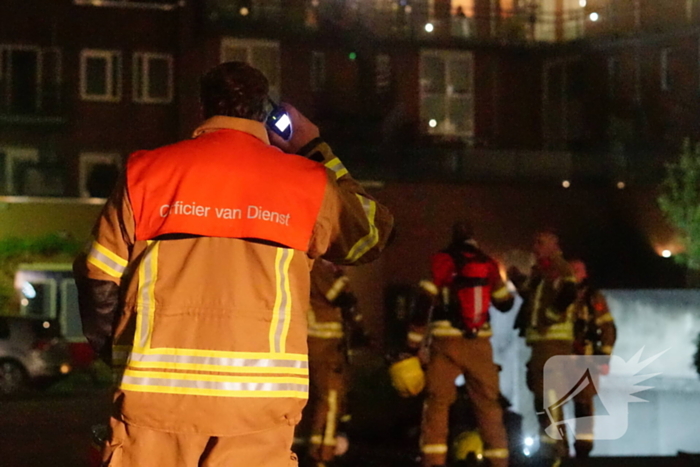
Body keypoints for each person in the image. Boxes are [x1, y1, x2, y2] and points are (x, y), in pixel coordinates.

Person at [73, 61, 394, 467]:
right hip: (258, 415)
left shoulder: (146, 174)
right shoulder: (307, 184)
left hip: (153, 408)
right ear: (266, 111)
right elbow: (373, 233)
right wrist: (316, 150)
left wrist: (119, 358)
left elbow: (97, 278)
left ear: (203, 108)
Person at [406, 221, 514, 467]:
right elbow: (504, 304)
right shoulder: (488, 263)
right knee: (488, 404)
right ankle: (499, 461)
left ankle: (434, 460)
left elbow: (424, 302)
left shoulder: (442, 260)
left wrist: (413, 343)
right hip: (479, 344)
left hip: (445, 343)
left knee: (438, 404)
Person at [509, 230, 577, 466]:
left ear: (553, 245)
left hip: (553, 341)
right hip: (539, 342)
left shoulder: (560, 267)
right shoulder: (541, 270)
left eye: (540, 242)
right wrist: (517, 279)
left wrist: (550, 316)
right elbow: (530, 295)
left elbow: (569, 292)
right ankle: (552, 446)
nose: (535, 247)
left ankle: (554, 449)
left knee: (550, 394)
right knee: (542, 395)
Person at [297, 259, 367, 466]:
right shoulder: (319, 268)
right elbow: (341, 297)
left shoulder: (311, 267)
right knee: (331, 398)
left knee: (320, 399)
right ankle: (322, 453)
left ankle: (313, 448)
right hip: (324, 345)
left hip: (321, 344)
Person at [569, 259, 616, 459]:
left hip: (585, 359)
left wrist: (603, 358)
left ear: (585, 274)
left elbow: (607, 328)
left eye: (578, 270)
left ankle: (583, 447)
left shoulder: (593, 297)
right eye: (571, 270)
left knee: (583, 403)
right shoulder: (556, 293)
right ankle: (556, 447)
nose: (573, 273)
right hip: (560, 357)